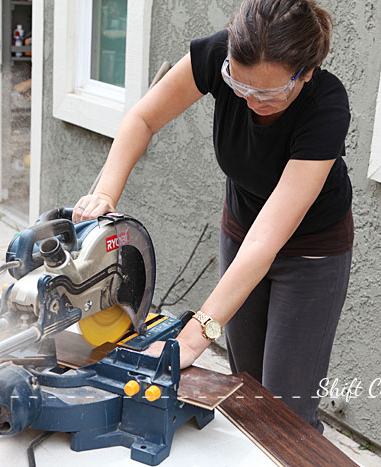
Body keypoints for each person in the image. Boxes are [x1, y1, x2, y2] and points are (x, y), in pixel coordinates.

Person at [73, 0, 352, 433]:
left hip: (311, 252)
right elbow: (143, 118)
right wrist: (105, 193)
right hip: (242, 229)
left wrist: (196, 333)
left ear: (306, 73)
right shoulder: (216, 54)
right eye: (240, 87)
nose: (251, 100)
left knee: (286, 413)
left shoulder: (326, 107)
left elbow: (268, 240)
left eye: (269, 92)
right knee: (245, 389)